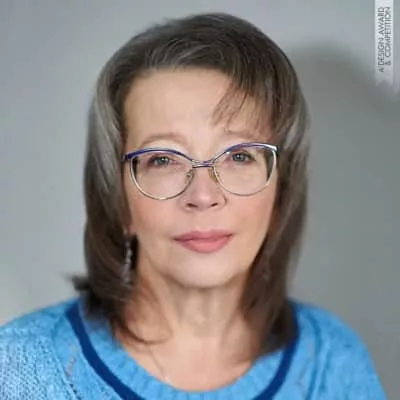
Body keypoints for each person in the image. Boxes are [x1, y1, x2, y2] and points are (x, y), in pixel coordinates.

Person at [0, 12, 386, 400]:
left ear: (280, 191)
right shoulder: (20, 367)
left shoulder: (334, 366)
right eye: (163, 160)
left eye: (238, 156)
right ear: (116, 198)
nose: (203, 196)